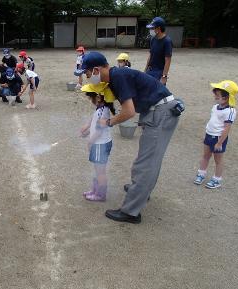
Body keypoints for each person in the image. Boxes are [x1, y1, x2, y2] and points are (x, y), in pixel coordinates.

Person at [76, 52, 181, 224]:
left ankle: (131, 211)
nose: (88, 78)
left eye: (87, 73)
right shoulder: (116, 76)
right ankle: (140, 191)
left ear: (96, 69)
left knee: (146, 164)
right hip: (157, 111)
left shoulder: (118, 77)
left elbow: (129, 112)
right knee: (147, 159)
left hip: (161, 113)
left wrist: (108, 122)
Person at [194, 80, 238, 189]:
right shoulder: (215, 107)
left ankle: (217, 179)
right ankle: (201, 173)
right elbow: (212, 121)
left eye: (217, 96)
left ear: (226, 97)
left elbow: (226, 129)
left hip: (219, 138)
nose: (215, 97)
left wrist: (219, 143)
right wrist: (206, 134)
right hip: (209, 135)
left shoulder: (230, 111)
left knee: (218, 160)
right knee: (205, 156)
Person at [80, 88, 114, 202]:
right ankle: (95, 190)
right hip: (99, 143)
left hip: (100, 144)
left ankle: (100, 195)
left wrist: (90, 142)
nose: (90, 100)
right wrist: (87, 132)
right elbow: (97, 127)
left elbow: (99, 131)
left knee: (100, 171)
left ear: (99, 98)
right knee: (98, 169)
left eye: (91, 98)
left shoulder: (103, 111)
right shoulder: (100, 108)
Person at [145, 17, 172, 85]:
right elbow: (151, 55)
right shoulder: (153, 39)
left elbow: (168, 60)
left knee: (158, 93)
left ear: (158, 28)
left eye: (152, 28)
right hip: (150, 70)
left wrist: (164, 76)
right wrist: (145, 70)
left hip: (159, 72)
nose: (150, 30)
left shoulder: (167, 41)